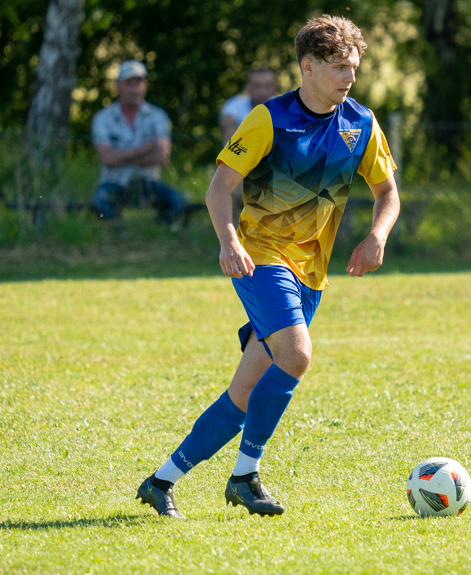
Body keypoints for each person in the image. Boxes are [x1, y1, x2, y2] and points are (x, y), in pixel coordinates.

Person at [136, 14, 400, 518]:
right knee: (297, 355)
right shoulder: (268, 119)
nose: (350, 78)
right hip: (261, 259)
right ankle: (244, 476)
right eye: (340, 67)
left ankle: (161, 480)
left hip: (311, 272)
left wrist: (376, 235)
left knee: (245, 391)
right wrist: (228, 240)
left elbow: (387, 192)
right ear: (309, 66)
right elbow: (219, 188)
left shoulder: (360, 123)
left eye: (355, 68)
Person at [90, 60, 186, 224]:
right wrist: (145, 149)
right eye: (129, 83)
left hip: (149, 183)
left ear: (145, 86)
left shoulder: (158, 116)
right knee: (99, 201)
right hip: (114, 182)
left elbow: (162, 157)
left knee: (178, 200)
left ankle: (157, 232)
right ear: (118, 86)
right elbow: (106, 159)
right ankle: (117, 232)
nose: (134, 89)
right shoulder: (103, 118)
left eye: (138, 83)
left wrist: (121, 156)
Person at [219, 69, 278, 144]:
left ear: (274, 88)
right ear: (247, 87)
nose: (263, 91)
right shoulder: (234, 105)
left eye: (268, 86)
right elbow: (229, 132)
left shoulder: (282, 108)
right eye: (257, 86)